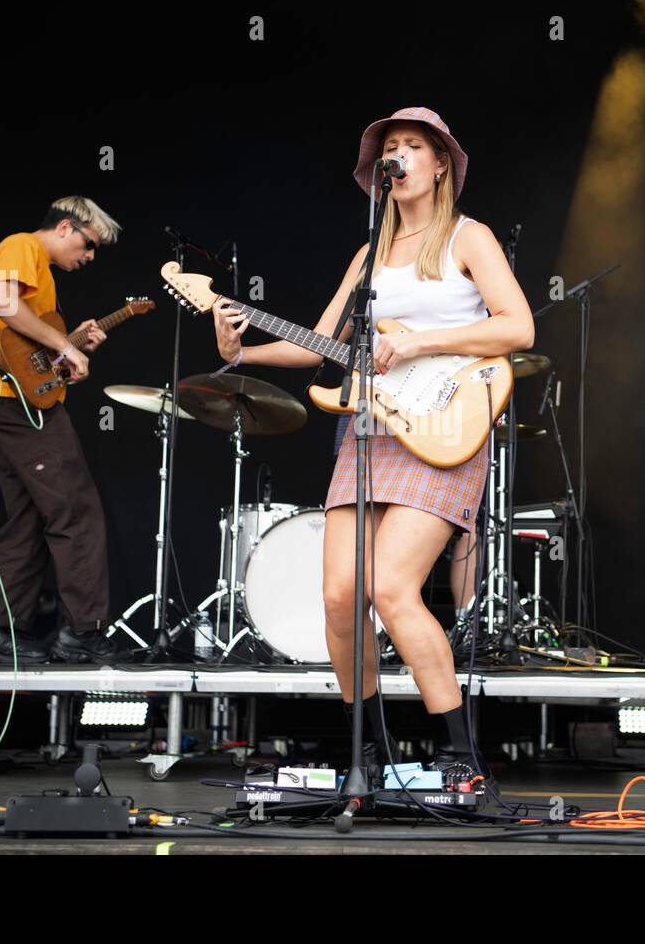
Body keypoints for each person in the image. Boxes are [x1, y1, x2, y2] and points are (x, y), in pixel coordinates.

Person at [212, 108, 535, 789]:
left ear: (442, 162)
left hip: (446, 425)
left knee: (391, 585)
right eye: (391, 148)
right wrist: (242, 347)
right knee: (336, 596)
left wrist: (419, 342)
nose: (402, 156)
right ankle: (367, 755)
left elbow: (519, 326)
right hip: (369, 430)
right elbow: (318, 343)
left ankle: (460, 757)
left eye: (415, 146)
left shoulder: (467, 238)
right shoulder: (369, 255)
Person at [0, 196, 126, 666]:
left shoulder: (42, 276)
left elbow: (24, 349)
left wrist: (67, 348)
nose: (90, 258)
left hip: (9, 399)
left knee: (29, 518)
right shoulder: (22, 247)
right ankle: (82, 632)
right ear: (67, 227)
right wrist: (65, 347)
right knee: (76, 509)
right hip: (14, 404)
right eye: (89, 245)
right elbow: (5, 306)